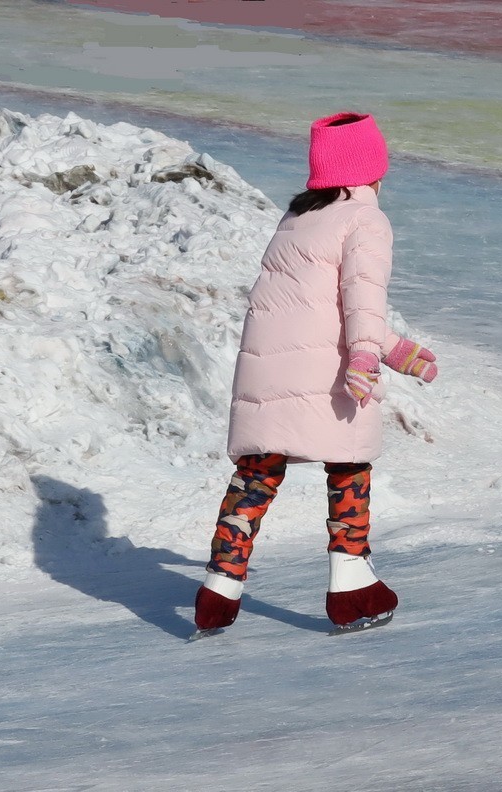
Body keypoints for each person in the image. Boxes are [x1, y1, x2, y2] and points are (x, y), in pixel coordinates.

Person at [193, 111, 438, 633]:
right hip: (329, 370)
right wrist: (366, 356)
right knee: (348, 464)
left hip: (268, 372)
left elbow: (318, 303)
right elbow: (362, 298)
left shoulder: (298, 218)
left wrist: (394, 349)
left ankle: (219, 587)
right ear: (370, 170)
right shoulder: (365, 219)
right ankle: (351, 586)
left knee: (257, 472)